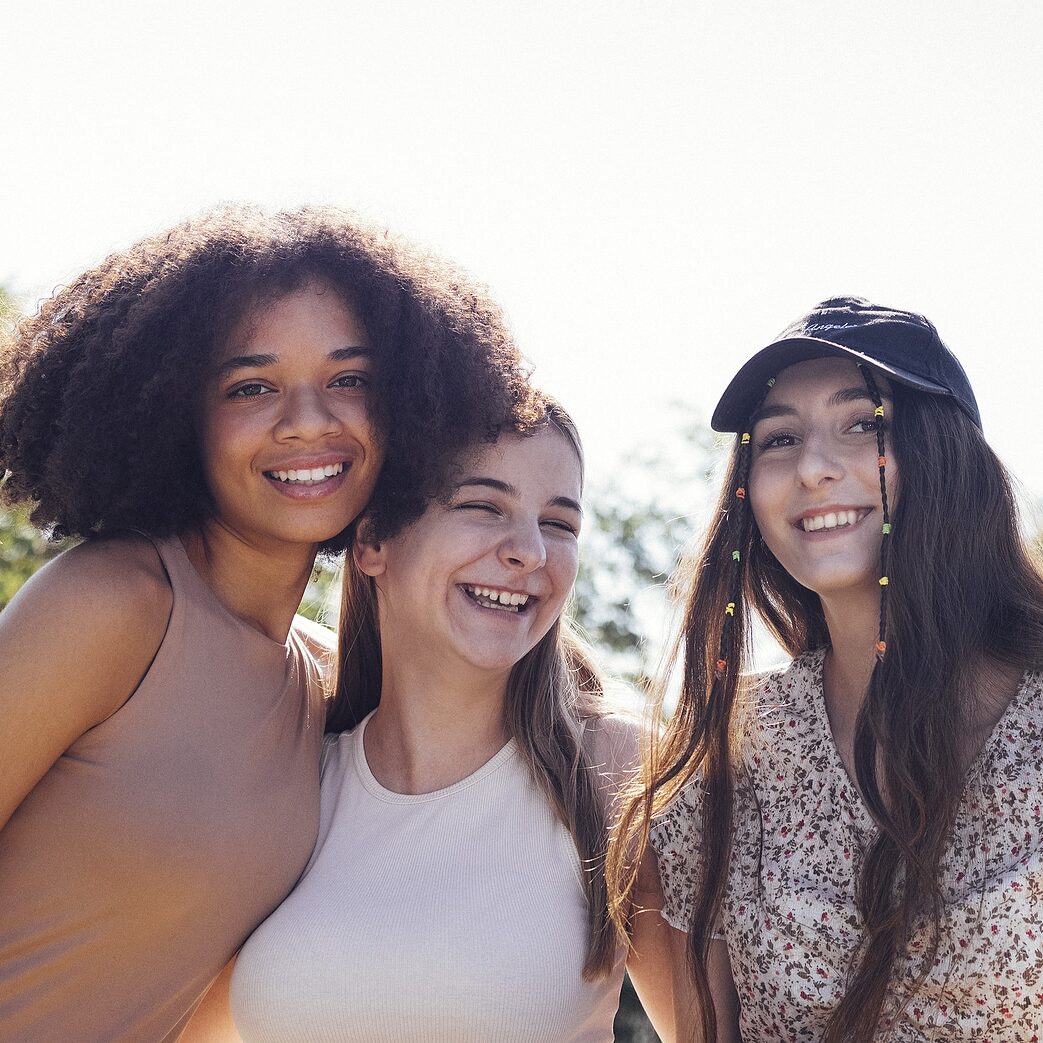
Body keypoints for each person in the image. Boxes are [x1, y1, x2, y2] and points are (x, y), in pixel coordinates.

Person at [0, 204, 533, 1043]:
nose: (310, 420)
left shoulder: (322, 682)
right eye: (251, 386)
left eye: (349, 379)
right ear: (177, 412)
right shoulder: (116, 602)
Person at [609, 297, 1043, 1041]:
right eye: (778, 439)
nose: (812, 468)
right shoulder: (727, 760)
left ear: (945, 454)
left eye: (864, 424)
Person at [185, 400, 677, 1043]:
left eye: (559, 523)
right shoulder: (290, 771)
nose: (530, 551)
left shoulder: (618, 767)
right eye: (482, 506)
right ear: (372, 542)